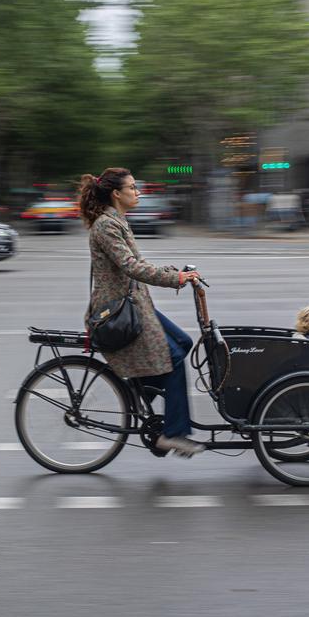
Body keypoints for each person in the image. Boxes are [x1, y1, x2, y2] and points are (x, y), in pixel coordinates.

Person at [78, 168, 205, 457]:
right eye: (133, 188)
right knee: (172, 361)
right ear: (116, 193)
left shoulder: (117, 221)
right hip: (118, 312)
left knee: (183, 343)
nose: (138, 192)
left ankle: (140, 391)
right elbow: (131, 267)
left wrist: (176, 273)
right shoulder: (106, 226)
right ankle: (173, 434)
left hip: (135, 305)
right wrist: (176, 280)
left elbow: (138, 262)